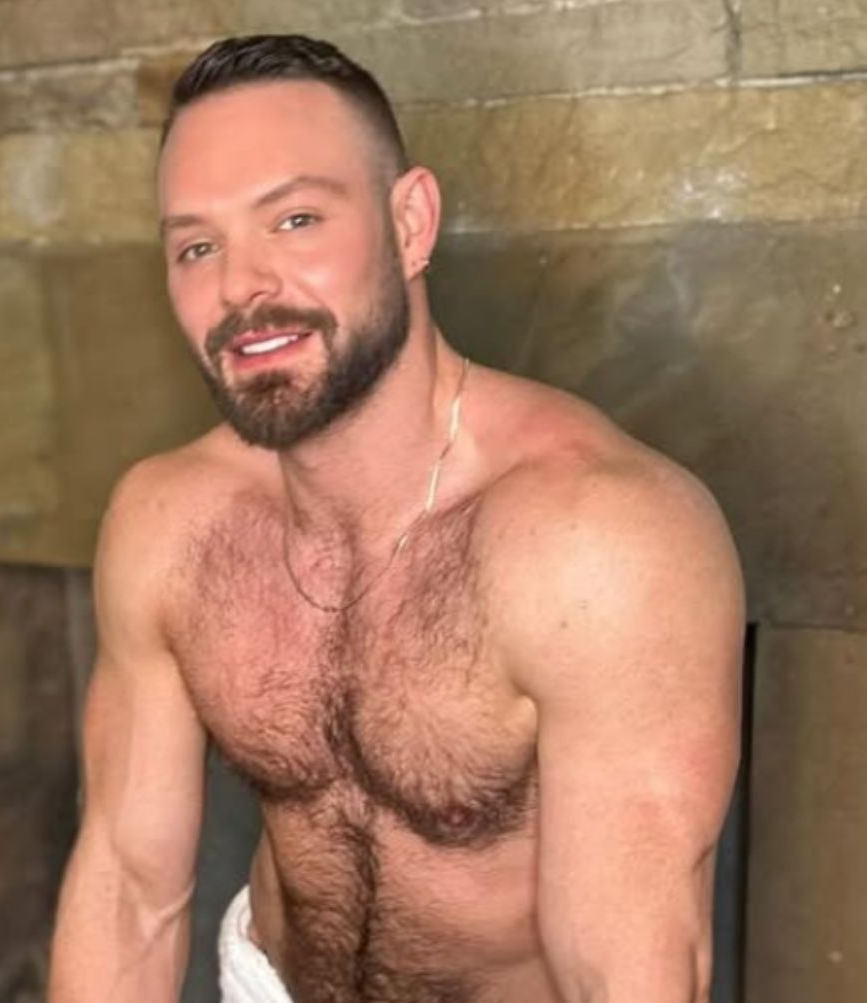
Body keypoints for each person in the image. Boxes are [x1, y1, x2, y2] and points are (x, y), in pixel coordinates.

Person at [48, 35, 742, 1003]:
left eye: (293, 219)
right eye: (196, 246)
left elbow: (625, 972)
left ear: (409, 223)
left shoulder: (596, 537)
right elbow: (128, 887)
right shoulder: (170, 522)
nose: (240, 286)